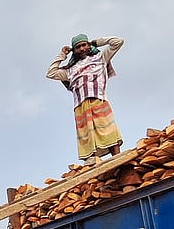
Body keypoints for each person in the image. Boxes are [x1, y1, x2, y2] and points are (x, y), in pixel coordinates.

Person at [46, 33, 125, 162]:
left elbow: (118, 41)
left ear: (88, 45)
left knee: (107, 128)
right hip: (80, 106)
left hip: (98, 99)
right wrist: (62, 55)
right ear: (74, 50)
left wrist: (95, 42)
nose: (82, 49)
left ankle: (117, 158)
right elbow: (51, 73)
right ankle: (93, 165)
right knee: (86, 135)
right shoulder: (70, 70)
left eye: (84, 45)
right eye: (78, 47)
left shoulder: (101, 58)